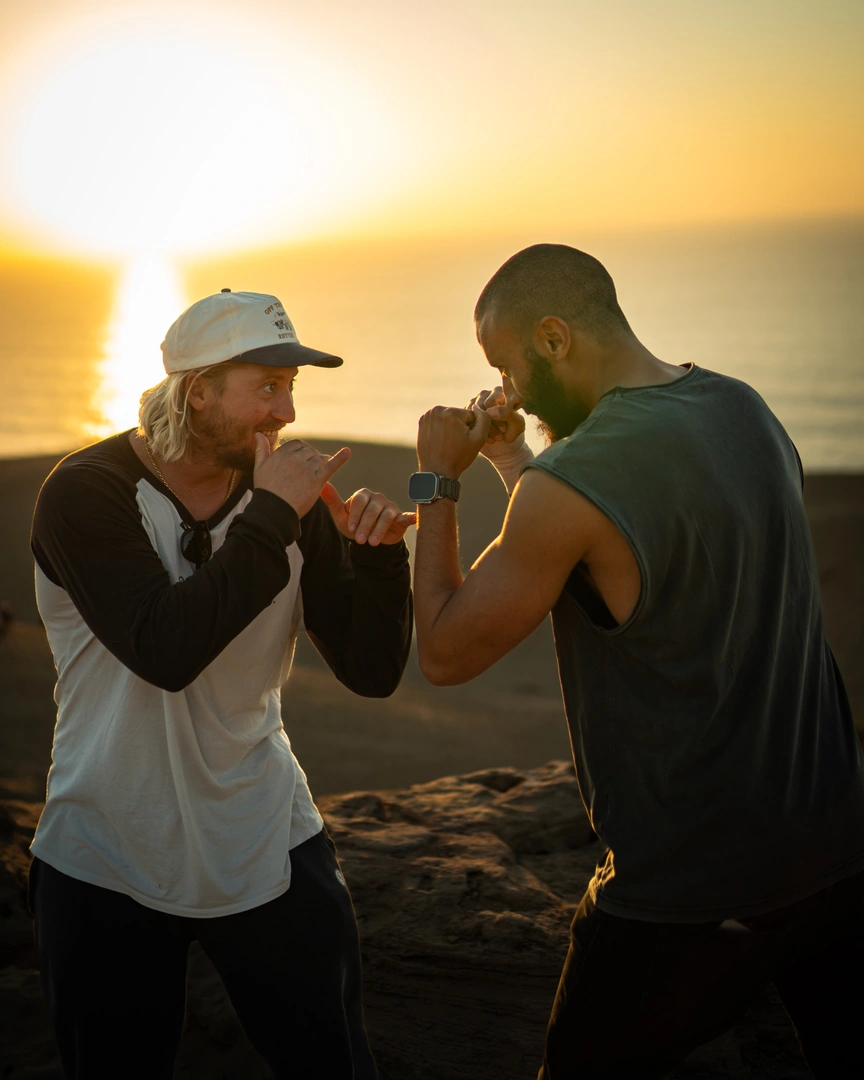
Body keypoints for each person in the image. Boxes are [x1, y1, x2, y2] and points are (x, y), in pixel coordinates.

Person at [410, 244, 864, 1079]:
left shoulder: (576, 483)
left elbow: (443, 651)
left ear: (553, 338)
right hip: (832, 852)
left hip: (691, 893)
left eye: (505, 364)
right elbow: (611, 545)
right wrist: (517, 462)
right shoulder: (744, 407)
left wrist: (437, 479)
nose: (502, 388)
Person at [29, 289, 415, 1079]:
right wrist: (272, 515)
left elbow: (372, 674)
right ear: (197, 389)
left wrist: (378, 557)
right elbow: (165, 649)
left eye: (291, 388)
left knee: (333, 1065)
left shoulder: (291, 505)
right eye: (265, 387)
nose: (284, 413)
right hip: (106, 848)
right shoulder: (85, 493)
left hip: (264, 839)